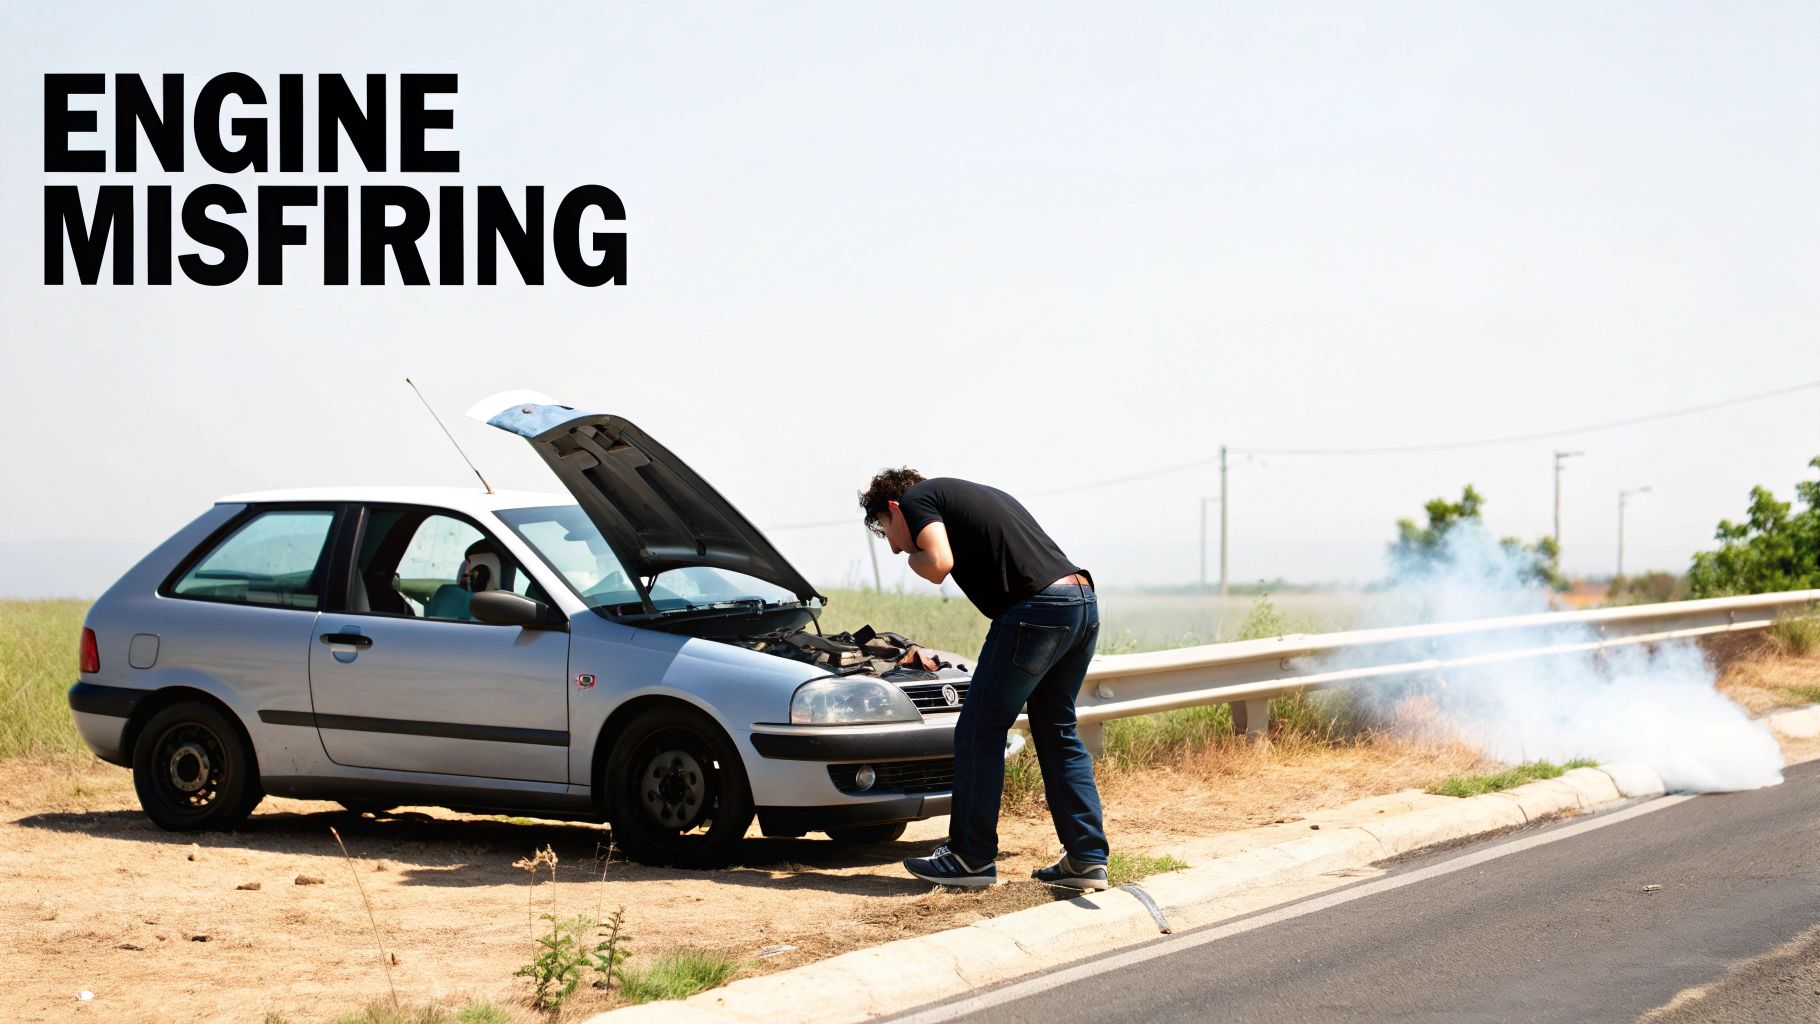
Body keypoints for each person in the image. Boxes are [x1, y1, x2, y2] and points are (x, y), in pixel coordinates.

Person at [860, 467, 1109, 890]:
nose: (893, 548)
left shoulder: (920, 498)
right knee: (1056, 730)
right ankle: (1087, 858)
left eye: (886, 531)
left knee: (978, 732)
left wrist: (914, 554)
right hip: (1080, 602)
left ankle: (969, 857)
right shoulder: (963, 497)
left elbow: (938, 564)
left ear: (894, 509)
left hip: (1037, 610)